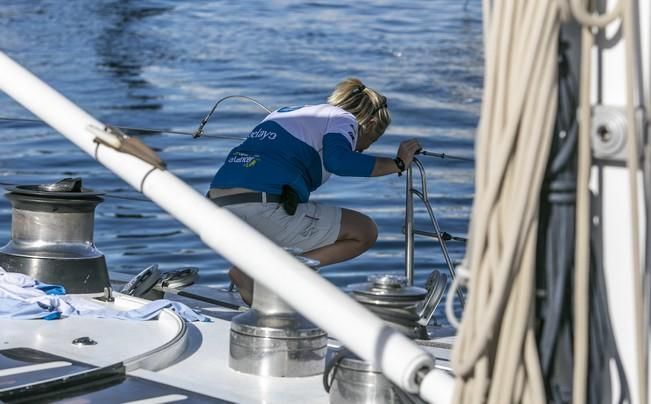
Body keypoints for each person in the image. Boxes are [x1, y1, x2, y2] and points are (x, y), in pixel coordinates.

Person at [207, 78, 422, 305]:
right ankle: (268, 276)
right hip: (258, 207)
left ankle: (255, 280)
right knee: (364, 231)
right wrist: (397, 164)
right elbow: (339, 162)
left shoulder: (287, 112)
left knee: (293, 220)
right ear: (367, 124)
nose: (364, 148)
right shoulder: (343, 119)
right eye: (372, 140)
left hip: (215, 208)